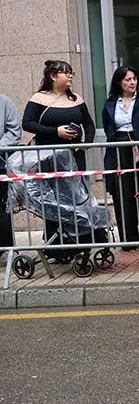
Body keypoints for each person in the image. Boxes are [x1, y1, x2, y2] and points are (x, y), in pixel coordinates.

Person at [21, 60, 98, 259]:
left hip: (74, 156)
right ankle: (56, 246)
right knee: (53, 200)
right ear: (53, 76)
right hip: (49, 157)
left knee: (76, 197)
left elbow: (89, 124)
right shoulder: (39, 98)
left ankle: (79, 240)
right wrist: (55, 131)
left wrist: (86, 143)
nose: (70, 76)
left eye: (71, 73)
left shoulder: (76, 99)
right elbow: (27, 124)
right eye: (66, 73)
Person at [101, 66, 139, 249]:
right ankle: (128, 239)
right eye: (127, 79)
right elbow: (108, 127)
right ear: (119, 82)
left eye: (134, 78)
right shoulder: (110, 103)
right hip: (119, 146)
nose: (132, 82)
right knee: (122, 192)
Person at [0, 94, 21, 256]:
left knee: (2, 207)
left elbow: (14, 131)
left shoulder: (5, 102)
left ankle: (6, 249)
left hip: (0, 162)